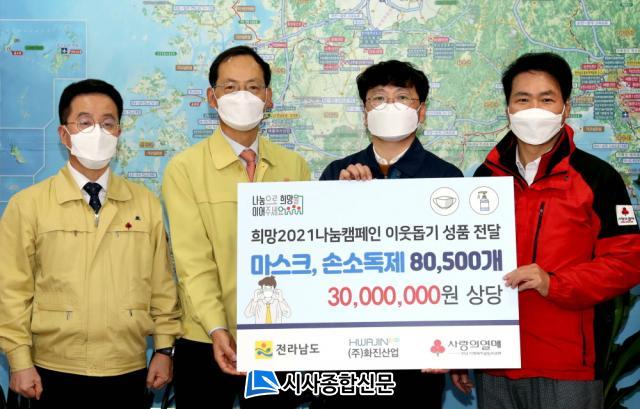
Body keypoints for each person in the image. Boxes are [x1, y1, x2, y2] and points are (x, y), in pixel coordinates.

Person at [451, 52, 640, 409]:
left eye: (546, 99)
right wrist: (460, 348)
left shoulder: (597, 177)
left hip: (566, 363)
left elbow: (628, 261)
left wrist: (553, 283)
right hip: (496, 360)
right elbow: (461, 266)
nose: (534, 110)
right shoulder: (485, 178)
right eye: (523, 99)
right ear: (508, 108)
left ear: (565, 108)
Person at [0, 79, 182, 408]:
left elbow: (162, 287)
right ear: (64, 134)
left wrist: (164, 349)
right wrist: (18, 360)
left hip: (126, 367)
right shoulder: (28, 205)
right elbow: (12, 291)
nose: (97, 132)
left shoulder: (145, 204)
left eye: (107, 123)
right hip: (52, 368)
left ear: (118, 133)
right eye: (84, 122)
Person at [162, 45, 311, 408]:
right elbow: (193, 262)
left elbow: (303, 257)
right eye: (230, 87)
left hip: (277, 339)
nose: (242, 96)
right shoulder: (184, 169)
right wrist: (218, 328)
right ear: (212, 97)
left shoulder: (294, 166)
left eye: (253, 87)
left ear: (268, 98)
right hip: (205, 338)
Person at [318, 60, 462, 408]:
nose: (390, 106)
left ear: (421, 111)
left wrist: (454, 344)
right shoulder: (337, 173)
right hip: (346, 354)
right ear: (365, 112)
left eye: (402, 97)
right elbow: (317, 263)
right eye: (379, 98)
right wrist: (340, 202)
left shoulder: (447, 178)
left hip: (419, 355)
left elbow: (458, 270)